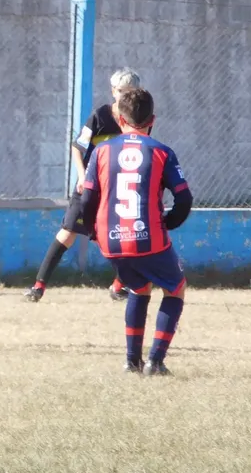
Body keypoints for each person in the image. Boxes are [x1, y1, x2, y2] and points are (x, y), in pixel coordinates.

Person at [79, 88, 192, 375]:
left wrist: (94, 232)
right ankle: (155, 361)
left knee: (139, 290)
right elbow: (184, 198)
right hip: (148, 238)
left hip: (111, 240)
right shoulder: (162, 152)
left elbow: (87, 198)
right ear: (152, 119)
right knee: (175, 288)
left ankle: (132, 362)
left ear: (119, 118)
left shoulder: (102, 151)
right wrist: (168, 223)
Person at [24, 68, 142, 303]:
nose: (124, 97)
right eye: (120, 91)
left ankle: (119, 286)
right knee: (67, 234)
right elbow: (78, 148)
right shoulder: (100, 116)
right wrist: (82, 176)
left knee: (123, 238)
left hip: (117, 191)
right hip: (89, 187)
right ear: (113, 91)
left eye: (130, 93)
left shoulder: (139, 120)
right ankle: (38, 286)